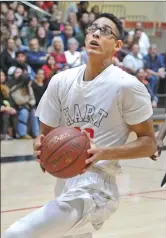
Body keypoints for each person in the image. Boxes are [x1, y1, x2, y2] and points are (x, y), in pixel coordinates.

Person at [4, 13, 157, 238]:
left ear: (118, 45)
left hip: (96, 188)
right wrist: (40, 146)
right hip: (64, 181)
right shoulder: (60, 81)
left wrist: (104, 152)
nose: (96, 33)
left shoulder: (127, 86)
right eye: (93, 28)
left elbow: (149, 144)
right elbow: (44, 135)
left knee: (17, 233)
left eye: (105, 31)